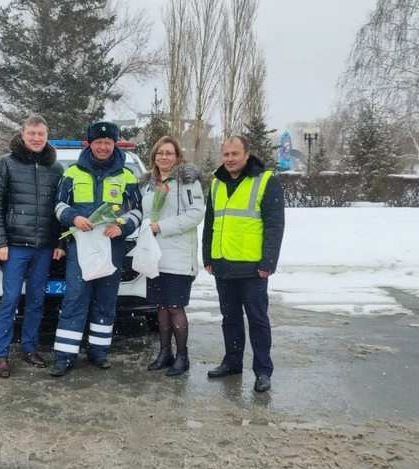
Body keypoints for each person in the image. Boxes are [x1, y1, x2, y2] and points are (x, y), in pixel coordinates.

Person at [50, 121, 143, 377]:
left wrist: (122, 226)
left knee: (105, 301)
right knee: (74, 300)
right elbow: (58, 204)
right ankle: (64, 356)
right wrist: (73, 218)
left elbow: (137, 210)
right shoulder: (73, 173)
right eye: (98, 142)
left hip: (111, 247)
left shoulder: (126, 175)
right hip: (80, 247)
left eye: (108, 142)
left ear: (114, 144)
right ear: (90, 143)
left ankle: (99, 352)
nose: (103, 147)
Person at [202, 136, 285, 393]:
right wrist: (208, 257)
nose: (229, 159)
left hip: (252, 267)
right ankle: (232, 362)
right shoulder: (216, 183)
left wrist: (268, 262)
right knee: (230, 318)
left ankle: (262, 371)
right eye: (226, 154)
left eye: (235, 154)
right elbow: (210, 224)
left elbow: (275, 225)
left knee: (258, 320)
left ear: (247, 154)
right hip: (223, 264)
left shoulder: (266, 181)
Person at [0, 115, 66, 378]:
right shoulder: (6, 164)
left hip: (43, 247)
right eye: (31, 133)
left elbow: (61, 208)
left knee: (36, 300)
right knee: (9, 300)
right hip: (15, 247)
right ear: (22, 135)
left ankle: (29, 347)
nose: (36, 138)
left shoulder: (56, 168)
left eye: (41, 134)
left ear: (47, 136)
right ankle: (1, 354)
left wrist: (59, 241)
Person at [140, 136, 205, 376]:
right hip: (155, 255)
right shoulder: (147, 184)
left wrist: (162, 227)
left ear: (177, 157)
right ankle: (164, 352)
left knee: (176, 307)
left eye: (169, 153)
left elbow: (196, 214)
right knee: (161, 306)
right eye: (160, 153)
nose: (164, 157)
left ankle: (182, 356)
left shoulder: (187, 182)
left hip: (178, 254)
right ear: (154, 156)